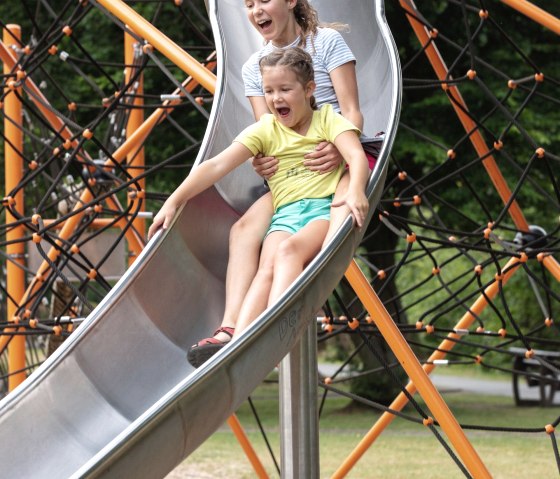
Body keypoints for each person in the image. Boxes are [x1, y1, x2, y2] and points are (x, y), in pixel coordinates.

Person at [148, 48, 369, 366]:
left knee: (288, 252)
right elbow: (215, 166)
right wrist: (174, 200)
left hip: (322, 209)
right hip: (285, 215)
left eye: (285, 89)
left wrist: (357, 190)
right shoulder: (266, 130)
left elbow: (356, 156)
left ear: (308, 90)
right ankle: (238, 343)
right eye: (269, 91)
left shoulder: (327, 121)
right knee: (265, 268)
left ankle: (273, 327)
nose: (276, 97)